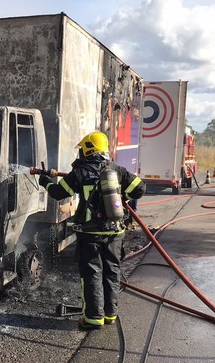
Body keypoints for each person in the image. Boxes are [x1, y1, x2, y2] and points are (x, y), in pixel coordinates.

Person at [38, 131, 145, 330]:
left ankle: (93, 317)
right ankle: (110, 315)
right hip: (114, 232)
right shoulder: (117, 170)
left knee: (92, 273)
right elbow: (140, 188)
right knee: (112, 271)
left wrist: (45, 181)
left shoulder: (80, 172)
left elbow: (58, 193)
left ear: (89, 149)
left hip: (90, 234)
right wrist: (123, 198)